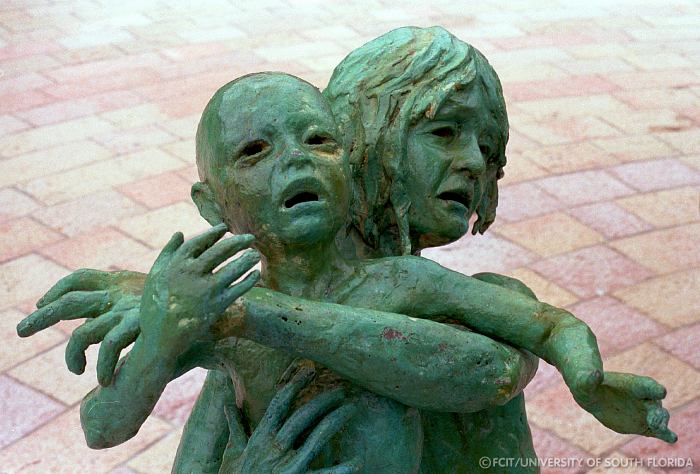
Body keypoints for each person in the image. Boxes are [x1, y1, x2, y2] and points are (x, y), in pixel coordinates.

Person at [20, 70, 674, 472]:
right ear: (212, 205)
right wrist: (161, 342)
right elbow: (103, 427)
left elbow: (540, 330)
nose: (296, 162)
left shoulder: (398, 284)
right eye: (255, 151)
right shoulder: (211, 304)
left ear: (350, 164)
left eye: (319, 141)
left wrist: (589, 380)